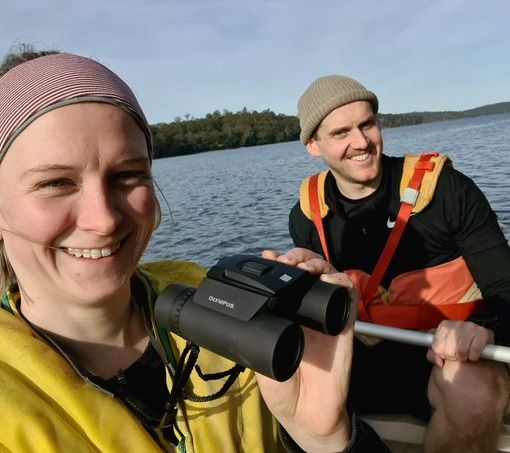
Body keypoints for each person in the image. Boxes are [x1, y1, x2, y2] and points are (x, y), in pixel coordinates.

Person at [0, 51, 390, 452]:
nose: (104, 221)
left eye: (128, 175)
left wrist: (323, 436)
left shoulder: (214, 297)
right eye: (55, 183)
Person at [282, 74, 510, 452]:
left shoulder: (447, 191)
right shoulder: (306, 216)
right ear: (313, 145)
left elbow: (505, 287)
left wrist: (484, 328)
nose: (361, 143)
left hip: (451, 364)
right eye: (341, 133)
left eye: (367, 124)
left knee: (473, 394)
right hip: (364, 368)